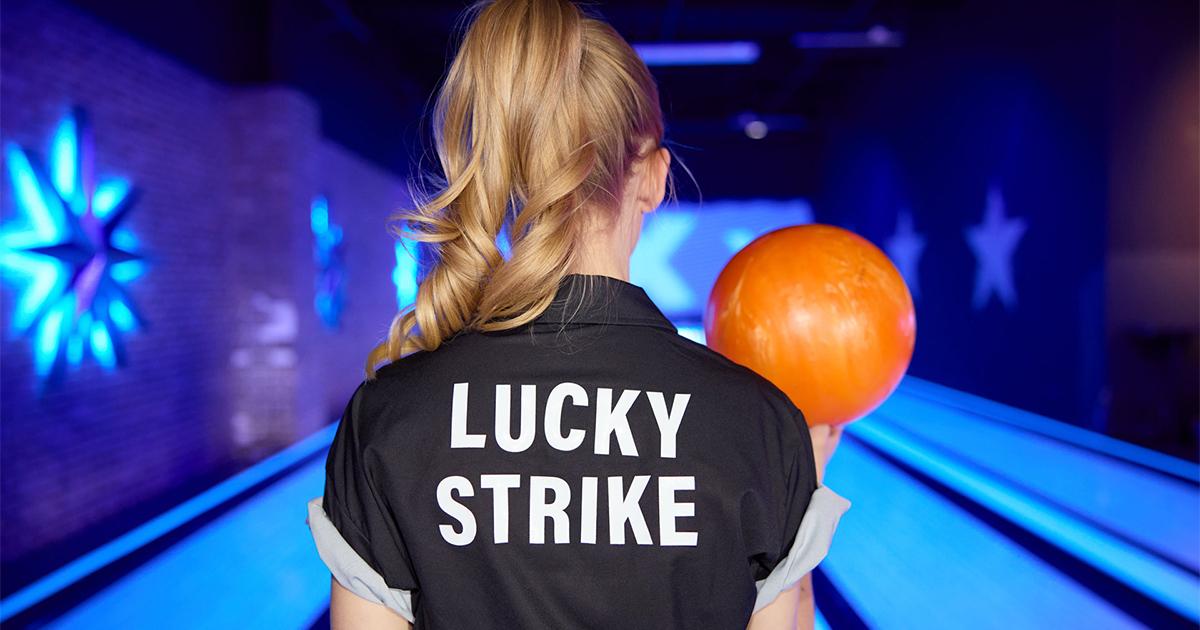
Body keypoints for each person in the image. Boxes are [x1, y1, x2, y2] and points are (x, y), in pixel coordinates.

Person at [305, 0, 849, 627]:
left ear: (508, 172)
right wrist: (796, 491)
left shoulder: (387, 419)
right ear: (652, 176)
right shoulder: (760, 425)